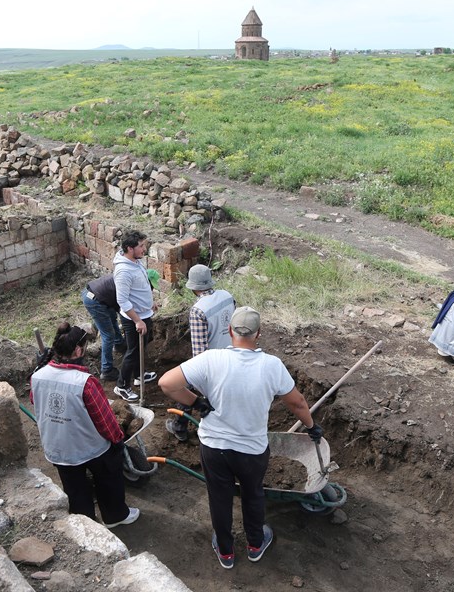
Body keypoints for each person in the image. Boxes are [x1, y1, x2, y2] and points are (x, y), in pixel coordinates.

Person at [158, 306, 322, 569]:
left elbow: (167, 383)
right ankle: (256, 544)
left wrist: (197, 403)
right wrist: (312, 426)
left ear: (230, 331)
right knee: (253, 494)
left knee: (219, 497)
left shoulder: (210, 359)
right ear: (259, 333)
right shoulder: (272, 365)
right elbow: (298, 403)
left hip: (214, 447)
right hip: (252, 451)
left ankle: (225, 551)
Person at [29, 322, 139, 528]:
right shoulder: (85, 382)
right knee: (108, 477)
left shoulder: (37, 376)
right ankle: (115, 516)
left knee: (74, 487)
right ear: (78, 350)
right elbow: (103, 419)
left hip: (57, 448)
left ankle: (86, 523)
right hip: (90, 447)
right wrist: (117, 440)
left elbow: (36, 401)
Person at [166, 264, 236, 442]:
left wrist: (197, 380)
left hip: (213, 362)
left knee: (186, 387)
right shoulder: (227, 296)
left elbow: (199, 354)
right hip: (232, 356)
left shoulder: (198, 310)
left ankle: (180, 427)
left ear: (193, 288)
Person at [113, 229, 157, 402]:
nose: (144, 249)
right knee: (132, 351)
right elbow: (122, 301)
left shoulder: (136, 262)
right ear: (129, 248)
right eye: (140, 246)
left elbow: (141, 285)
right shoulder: (123, 271)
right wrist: (137, 320)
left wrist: (150, 302)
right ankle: (122, 385)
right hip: (133, 319)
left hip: (144, 313)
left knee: (141, 347)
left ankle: (139, 376)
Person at [81, 274, 127, 382]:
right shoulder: (126, 284)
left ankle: (119, 344)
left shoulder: (128, 277)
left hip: (100, 296)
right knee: (108, 334)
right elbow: (124, 310)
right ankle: (106, 370)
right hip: (94, 299)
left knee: (112, 318)